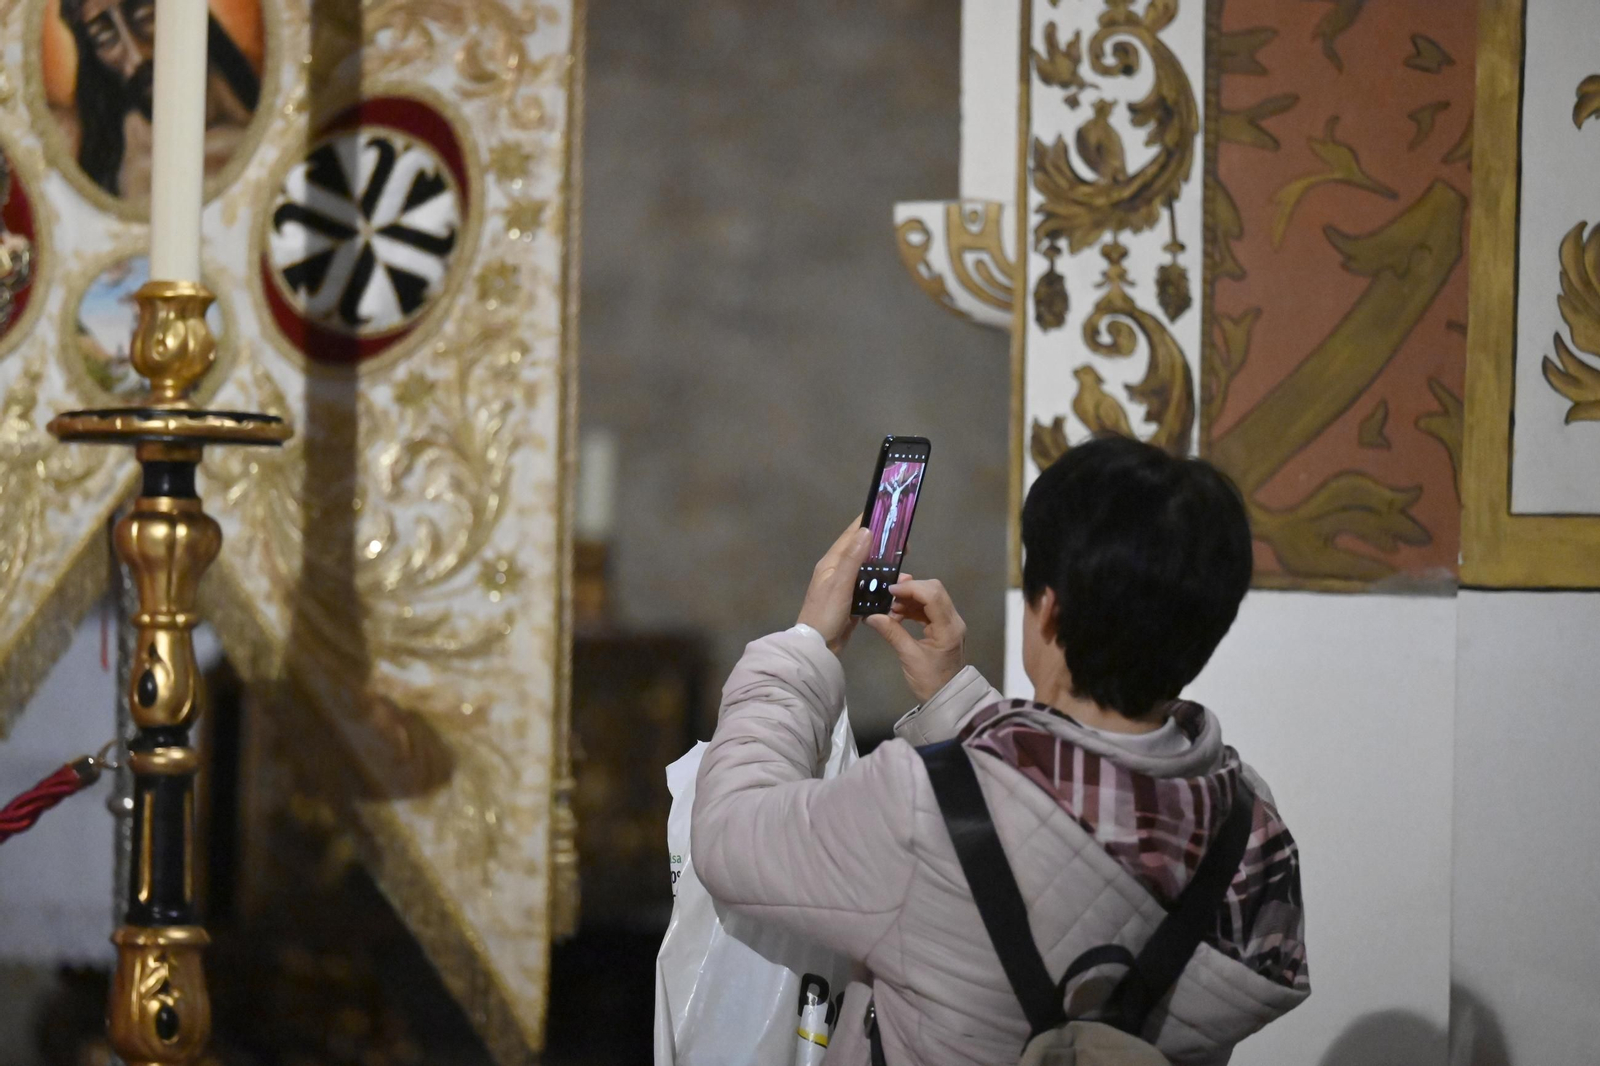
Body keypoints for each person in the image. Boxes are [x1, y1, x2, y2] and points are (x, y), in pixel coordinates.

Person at [692, 435, 1309, 1065]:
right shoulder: (1253, 835)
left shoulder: (914, 810)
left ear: (1049, 611)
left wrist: (802, 650)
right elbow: (1070, 833)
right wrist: (958, 703)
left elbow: (729, 833)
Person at [55, 0, 259, 199]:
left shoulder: (261, 124)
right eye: (105, 38)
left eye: (145, 17)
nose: (137, 57)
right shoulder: (127, 168)